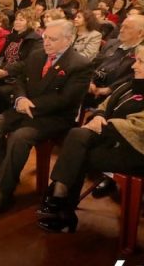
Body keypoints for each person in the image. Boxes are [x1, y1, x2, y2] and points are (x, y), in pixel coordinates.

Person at [0, 20, 92, 217]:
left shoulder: (80, 64)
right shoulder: (37, 54)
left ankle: (4, 193)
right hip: (25, 107)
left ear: (68, 40)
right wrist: (21, 98)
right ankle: (4, 174)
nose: (46, 42)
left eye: (52, 39)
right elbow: (20, 80)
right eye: (45, 37)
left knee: (19, 137)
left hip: (54, 118)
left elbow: (65, 100)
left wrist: (31, 104)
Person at [37, 45, 144, 233]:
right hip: (112, 140)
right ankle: (61, 201)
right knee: (77, 137)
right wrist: (100, 116)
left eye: (141, 62)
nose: (134, 66)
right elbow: (105, 103)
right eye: (136, 60)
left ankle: (61, 202)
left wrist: (105, 125)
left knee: (76, 154)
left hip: (136, 151)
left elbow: (139, 127)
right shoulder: (131, 83)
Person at [0, 8, 42, 115]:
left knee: (2, 91)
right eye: (16, 19)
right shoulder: (12, 37)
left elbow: (28, 63)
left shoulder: (35, 39)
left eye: (21, 20)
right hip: (5, 72)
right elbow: (1, 56)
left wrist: (7, 71)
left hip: (20, 77)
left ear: (29, 22)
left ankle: (5, 117)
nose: (17, 22)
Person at [84, 15, 144, 109]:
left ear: (140, 33)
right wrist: (90, 81)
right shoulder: (111, 43)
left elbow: (133, 79)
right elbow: (94, 63)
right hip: (92, 86)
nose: (121, 30)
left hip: (114, 95)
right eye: (122, 26)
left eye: (127, 28)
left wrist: (110, 89)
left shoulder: (141, 54)